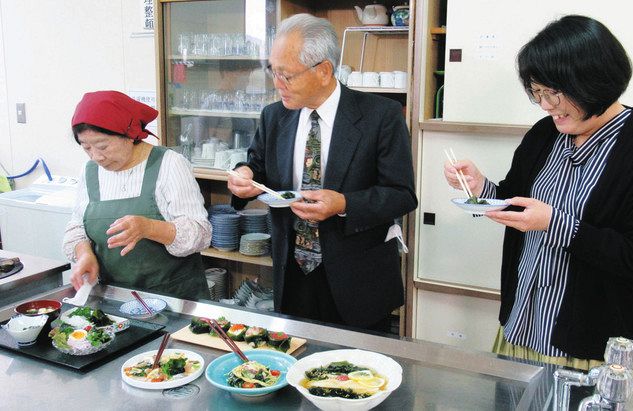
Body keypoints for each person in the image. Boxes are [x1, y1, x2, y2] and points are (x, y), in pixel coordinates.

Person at [444, 15, 633, 374]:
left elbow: (632, 256)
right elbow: (517, 200)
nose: (546, 105)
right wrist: (481, 188)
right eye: (538, 93)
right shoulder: (544, 134)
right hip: (523, 323)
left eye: (554, 92)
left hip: (590, 346)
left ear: (595, 80)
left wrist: (554, 223)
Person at [228, 14, 417, 332]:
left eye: (287, 75)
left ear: (324, 71)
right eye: (274, 71)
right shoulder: (275, 116)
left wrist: (343, 204)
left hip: (358, 278)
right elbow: (256, 165)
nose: (277, 84)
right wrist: (243, 175)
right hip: (293, 272)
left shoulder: (381, 117)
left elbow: (401, 194)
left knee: (356, 375)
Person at [62, 90, 211, 300]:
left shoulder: (169, 164)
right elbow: (77, 227)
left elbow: (200, 234)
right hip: (114, 299)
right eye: (86, 147)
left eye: (103, 146)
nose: (96, 156)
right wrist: (84, 254)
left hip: (174, 299)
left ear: (130, 135)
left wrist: (148, 227)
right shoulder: (90, 172)